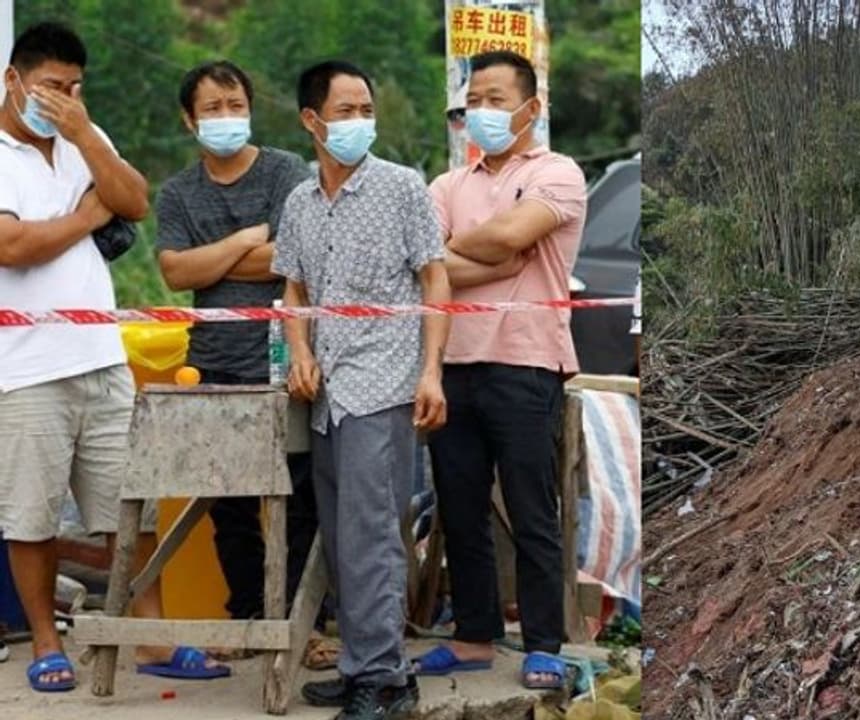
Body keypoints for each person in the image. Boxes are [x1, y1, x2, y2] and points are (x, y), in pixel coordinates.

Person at [0, 22, 226, 692]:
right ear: (14, 80)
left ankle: (150, 637)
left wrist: (86, 137)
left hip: (101, 358)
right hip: (25, 367)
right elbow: (12, 247)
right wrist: (86, 218)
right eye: (50, 87)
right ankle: (47, 642)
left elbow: (132, 198)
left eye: (73, 87)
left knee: (131, 508)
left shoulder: (80, 141)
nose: (63, 99)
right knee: (33, 516)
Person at [274, 60, 449, 720]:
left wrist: (430, 371)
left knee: (374, 534)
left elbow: (436, 281)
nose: (359, 122)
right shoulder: (297, 202)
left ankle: (384, 678)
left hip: (383, 381)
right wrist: (298, 351)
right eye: (346, 111)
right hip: (326, 392)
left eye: (365, 110)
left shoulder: (402, 188)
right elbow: (292, 289)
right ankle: (362, 668)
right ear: (311, 121)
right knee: (343, 536)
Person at [153, 60, 331, 664]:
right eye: (212, 109)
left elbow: (292, 258)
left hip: (288, 359)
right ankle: (250, 619)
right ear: (189, 119)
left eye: (235, 105)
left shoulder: (286, 172)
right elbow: (175, 273)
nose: (226, 118)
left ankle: (306, 624)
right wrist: (244, 241)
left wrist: (214, 258)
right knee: (228, 503)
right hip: (213, 364)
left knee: (301, 495)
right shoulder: (178, 191)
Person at [420, 50, 587, 690]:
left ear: (530, 108)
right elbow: (433, 266)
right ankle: (473, 637)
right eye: (474, 101)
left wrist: (458, 256)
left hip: (525, 360)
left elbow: (510, 237)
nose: (481, 112)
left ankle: (544, 643)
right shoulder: (444, 186)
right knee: (460, 509)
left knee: (530, 509)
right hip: (454, 361)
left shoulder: (558, 173)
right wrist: (493, 259)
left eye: (496, 98)